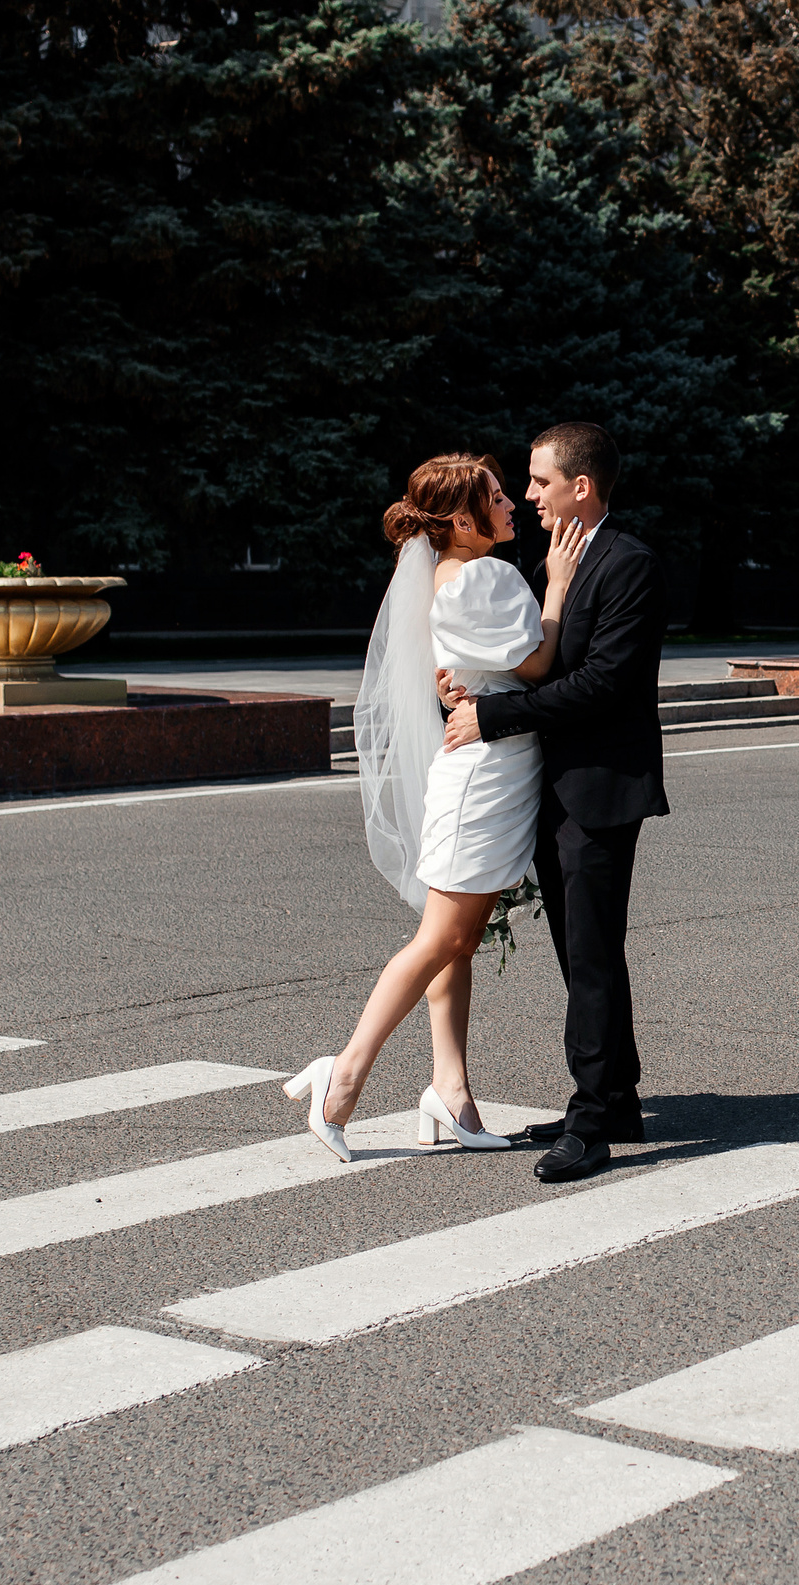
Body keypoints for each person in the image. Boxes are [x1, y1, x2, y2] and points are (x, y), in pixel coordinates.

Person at [284, 453, 588, 1161]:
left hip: (483, 769)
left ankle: (450, 1090)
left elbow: (464, 671)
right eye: (496, 497)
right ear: (462, 520)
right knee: (441, 940)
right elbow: (536, 664)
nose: (510, 503)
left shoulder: (446, 576)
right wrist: (558, 586)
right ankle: (344, 1075)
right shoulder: (487, 576)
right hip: (486, 777)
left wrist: (462, 687)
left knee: (458, 938)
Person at [442, 423, 668, 1184]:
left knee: (593, 954)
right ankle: (619, 1100)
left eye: (540, 482)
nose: (529, 495)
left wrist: (493, 716)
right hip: (554, 783)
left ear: (582, 486)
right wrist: (469, 686)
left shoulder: (629, 563)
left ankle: (591, 1121)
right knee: (583, 952)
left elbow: (601, 683)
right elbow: (535, 663)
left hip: (600, 787)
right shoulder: (557, 562)